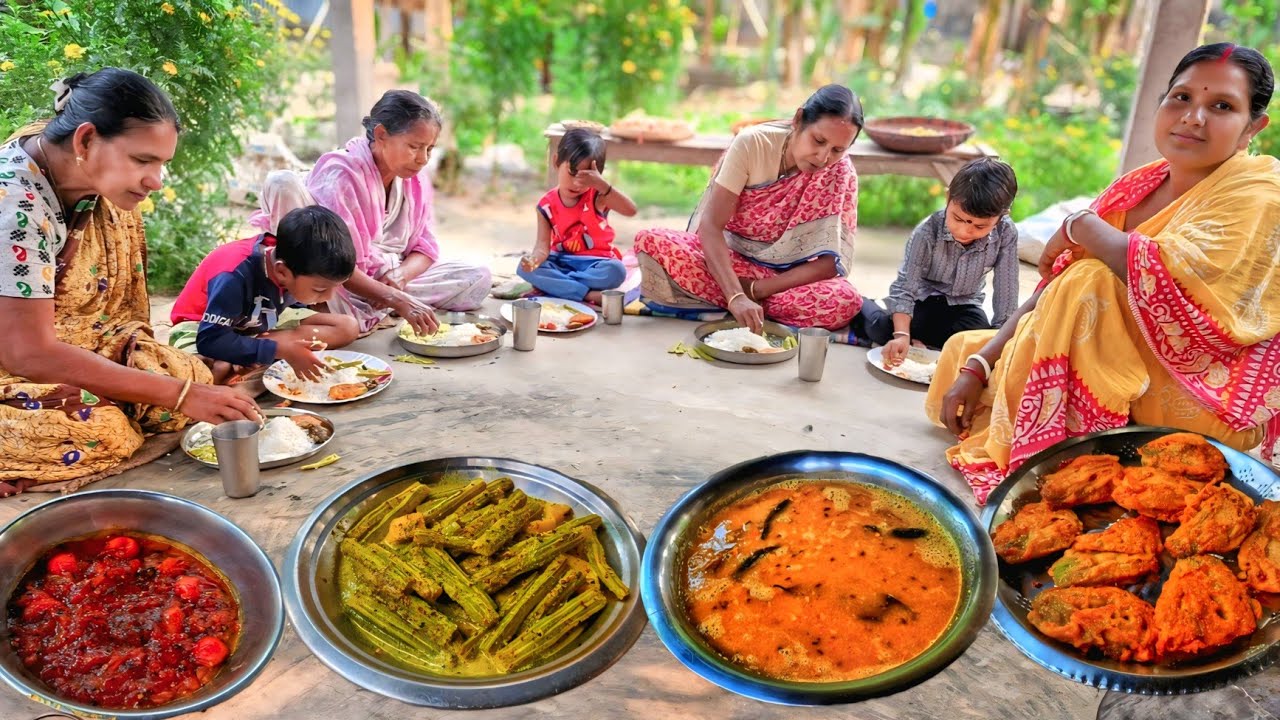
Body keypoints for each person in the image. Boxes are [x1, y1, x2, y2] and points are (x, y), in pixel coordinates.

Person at [926, 43, 1280, 505]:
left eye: (1221, 106)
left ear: (1253, 127)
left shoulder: (1259, 191)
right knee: (962, 352)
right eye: (1181, 98)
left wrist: (1082, 224)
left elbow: (1174, 284)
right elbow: (1054, 289)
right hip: (1116, 363)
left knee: (1087, 283)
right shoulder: (1144, 183)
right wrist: (983, 362)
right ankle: (1046, 416)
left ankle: (1071, 456)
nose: (1194, 117)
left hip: (1195, 392)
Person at [0, 69, 259, 493]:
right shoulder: (14, 205)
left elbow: (113, 319)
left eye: (161, 164)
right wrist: (178, 394)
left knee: (182, 374)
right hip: (14, 361)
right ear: (84, 141)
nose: (155, 181)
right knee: (104, 432)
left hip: (76, 341)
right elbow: (26, 353)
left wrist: (177, 388)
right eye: (142, 161)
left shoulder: (85, 177)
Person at [251, 90, 490, 336]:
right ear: (381, 135)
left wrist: (400, 276)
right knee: (282, 183)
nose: (423, 159)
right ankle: (323, 305)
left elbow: (424, 248)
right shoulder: (343, 175)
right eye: (414, 147)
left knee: (477, 275)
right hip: (337, 278)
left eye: (429, 149)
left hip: (386, 277)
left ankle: (378, 303)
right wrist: (395, 298)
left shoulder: (416, 180)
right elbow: (336, 262)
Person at [634, 84, 864, 332]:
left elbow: (829, 263)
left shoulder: (840, 173)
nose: (823, 157)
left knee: (845, 300)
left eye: (838, 150)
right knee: (652, 241)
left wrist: (755, 289)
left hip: (787, 279)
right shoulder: (752, 143)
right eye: (818, 140)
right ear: (798, 120)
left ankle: (720, 301)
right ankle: (749, 305)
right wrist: (735, 295)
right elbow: (711, 227)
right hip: (734, 260)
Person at [859, 158, 1020, 365]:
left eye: (980, 227)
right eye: (958, 219)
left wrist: (999, 343)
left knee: (977, 340)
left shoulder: (1006, 233)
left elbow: (1007, 291)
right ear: (948, 198)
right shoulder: (927, 231)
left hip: (963, 305)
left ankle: (925, 343)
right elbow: (906, 286)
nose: (965, 231)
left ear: (1002, 216)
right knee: (881, 329)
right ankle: (866, 304)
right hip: (922, 302)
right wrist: (901, 336)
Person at [169, 206, 359, 380]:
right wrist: (279, 348)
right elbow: (209, 341)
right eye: (320, 289)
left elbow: (293, 304)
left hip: (261, 318)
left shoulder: (295, 259)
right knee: (211, 372)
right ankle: (248, 350)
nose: (329, 297)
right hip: (201, 325)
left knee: (347, 327)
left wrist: (270, 348)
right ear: (282, 272)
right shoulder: (233, 275)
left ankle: (248, 348)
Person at [517, 128, 637, 305]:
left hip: (595, 264)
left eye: (586, 177)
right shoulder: (546, 205)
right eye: (572, 173)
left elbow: (630, 210)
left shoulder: (598, 195)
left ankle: (561, 286)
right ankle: (586, 294)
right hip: (560, 261)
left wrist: (602, 186)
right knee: (524, 269)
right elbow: (542, 247)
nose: (577, 183)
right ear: (556, 162)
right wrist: (533, 261)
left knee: (616, 270)